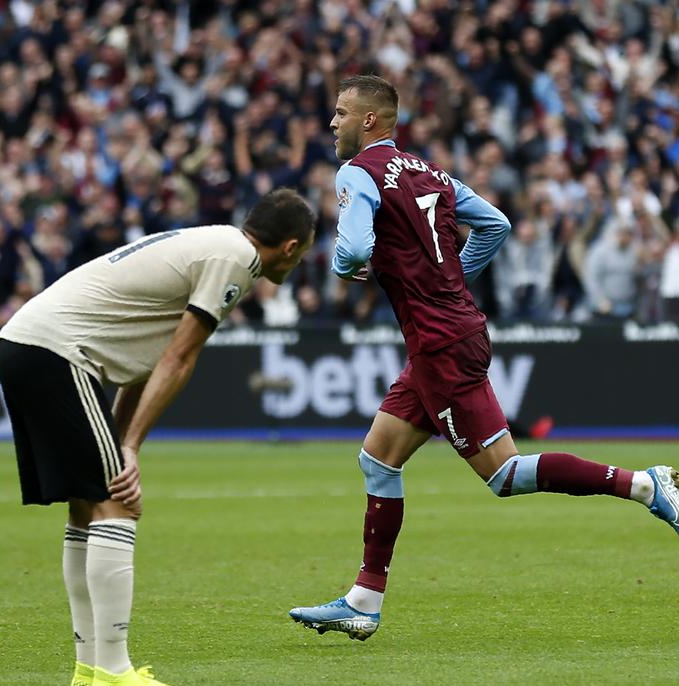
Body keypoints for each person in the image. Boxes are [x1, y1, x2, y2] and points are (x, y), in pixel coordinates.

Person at [287, 75, 677, 641]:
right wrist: (452, 277)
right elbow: (496, 224)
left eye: (341, 112)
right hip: (441, 339)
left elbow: (349, 249)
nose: (333, 122)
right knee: (378, 460)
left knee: (504, 475)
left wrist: (349, 270)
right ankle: (363, 602)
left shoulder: (357, 173)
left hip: (442, 344)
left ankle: (646, 484)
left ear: (370, 121)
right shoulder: (433, 173)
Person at [0, 189, 316, 686]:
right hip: (56, 352)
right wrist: (133, 449)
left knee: (87, 506)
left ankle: (90, 672)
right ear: (292, 246)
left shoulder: (213, 244)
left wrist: (124, 440)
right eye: (303, 254)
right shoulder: (236, 259)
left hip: (29, 344)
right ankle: (116, 672)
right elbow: (179, 360)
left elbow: (152, 358)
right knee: (117, 502)